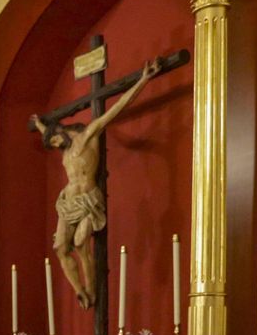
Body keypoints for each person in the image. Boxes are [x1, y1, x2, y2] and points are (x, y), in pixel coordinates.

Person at [31, 58, 160, 308]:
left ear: (60, 131)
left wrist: (144, 79)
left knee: (81, 243)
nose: (56, 146)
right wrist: (38, 124)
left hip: (88, 199)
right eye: (52, 144)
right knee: (60, 247)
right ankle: (80, 291)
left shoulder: (89, 134)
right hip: (68, 201)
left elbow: (118, 107)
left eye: (55, 141)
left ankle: (91, 289)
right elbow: (47, 132)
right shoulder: (63, 149)